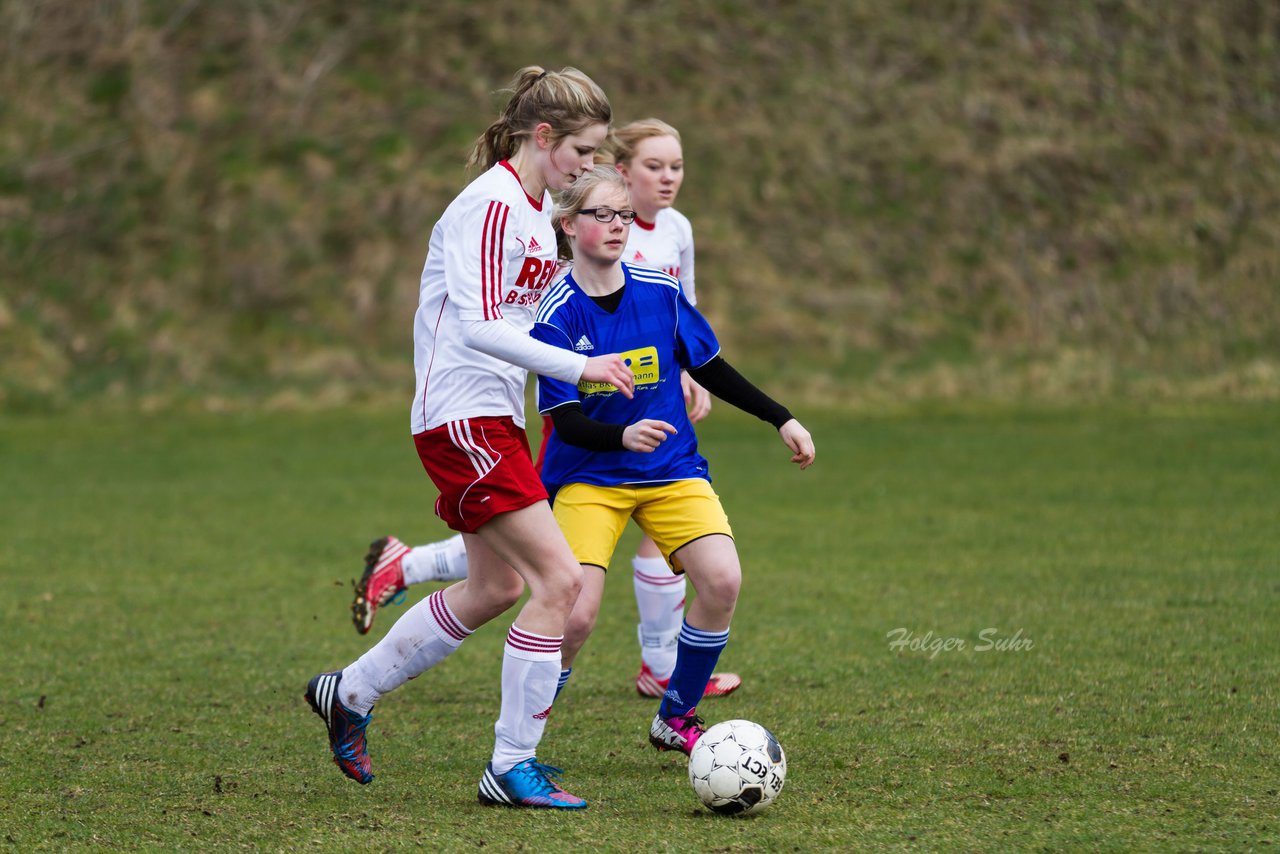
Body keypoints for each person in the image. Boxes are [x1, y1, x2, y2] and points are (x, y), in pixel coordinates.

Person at [305, 66, 634, 810]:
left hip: (493, 419)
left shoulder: (533, 209)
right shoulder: (487, 207)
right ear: (542, 137)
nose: (588, 166)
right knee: (561, 581)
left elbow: (528, 319)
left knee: (496, 588)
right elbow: (484, 327)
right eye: (581, 151)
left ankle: (348, 691)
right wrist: (583, 368)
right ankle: (510, 766)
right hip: (461, 418)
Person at [350, 120, 742, 703]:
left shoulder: (674, 234)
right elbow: (503, 317)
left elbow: (676, 315)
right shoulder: (552, 215)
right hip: (566, 415)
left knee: (559, 556)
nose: (666, 179)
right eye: (653, 167)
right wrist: (582, 368)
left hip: (637, 418)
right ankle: (504, 733)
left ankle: (657, 668)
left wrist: (684, 371)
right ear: (621, 172)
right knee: (553, 566)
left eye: (677, 167)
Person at [533, 165, 815, 754]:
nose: (617, 226)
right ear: (567, 224)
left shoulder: (660, 291)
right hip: (589, 476)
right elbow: (565, 420)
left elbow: (709, 366)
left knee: (722, 578)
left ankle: (677, 716)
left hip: (672, 470)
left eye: (623, 215)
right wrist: (621, 436)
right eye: (600, 215)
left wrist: (780, 416)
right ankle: (522, 731)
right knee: (575, 617)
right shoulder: (556, 313)